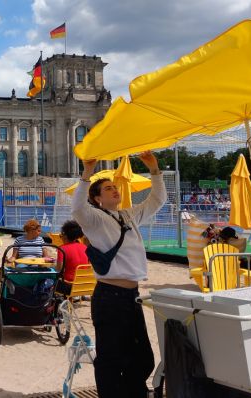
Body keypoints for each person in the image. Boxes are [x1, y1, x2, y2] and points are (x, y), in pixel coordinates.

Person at [72, 151, 166, 398]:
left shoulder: (128, 215)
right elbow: (78, 208)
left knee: (143, 357)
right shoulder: (93, 219)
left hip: (131, 296)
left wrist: (154, 170)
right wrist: (86, 175)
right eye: (108, 188)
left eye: (115, 186)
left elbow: (157, 200)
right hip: (110, 297)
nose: (115, 190)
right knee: (111, 360)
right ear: (97, 198)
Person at [56, 220, 89, 285]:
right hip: (84, 285)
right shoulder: (85, 247)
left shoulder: (62, 249)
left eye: (61, 236)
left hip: (68, 285)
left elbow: (59, 270)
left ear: (65, 236)